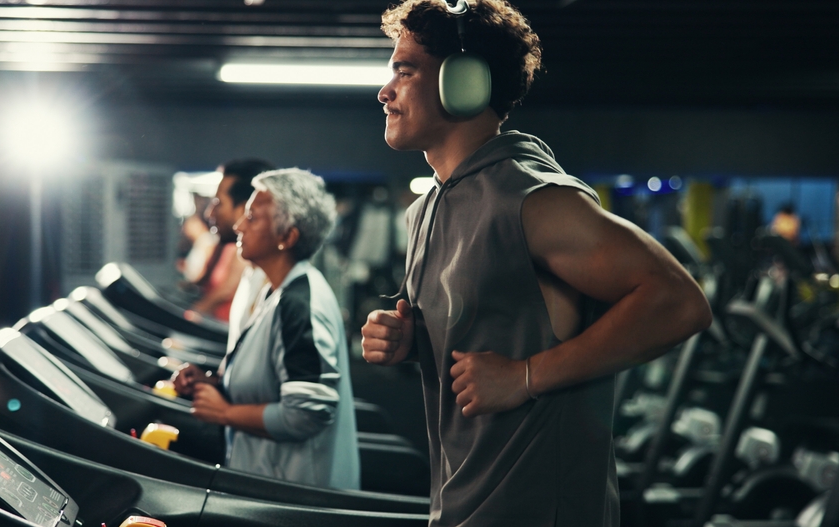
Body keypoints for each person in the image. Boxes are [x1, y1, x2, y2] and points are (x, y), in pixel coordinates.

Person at [360, 1, 713, 525]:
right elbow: (492, 328)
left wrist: (525, 376)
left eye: (404, 71)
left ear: (464, 82)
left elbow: (679, 303)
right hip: (462, 505)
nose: (385, 91)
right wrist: (412, 341)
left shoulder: (531, 198)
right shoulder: (427, 209)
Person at [174, 168, 360, 490]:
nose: (239, 225)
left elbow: (305, 414)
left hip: (295, 495)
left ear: (287, 237)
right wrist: (213, 383)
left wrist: (225, 413)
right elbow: (270, 380)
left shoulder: (299, 305)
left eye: (252, 217)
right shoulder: (276, 292)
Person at [190, 159, 275, 321]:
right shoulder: (252, 272)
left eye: (218, 203)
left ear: (247, 210)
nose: (209, 213)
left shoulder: (274, 286)